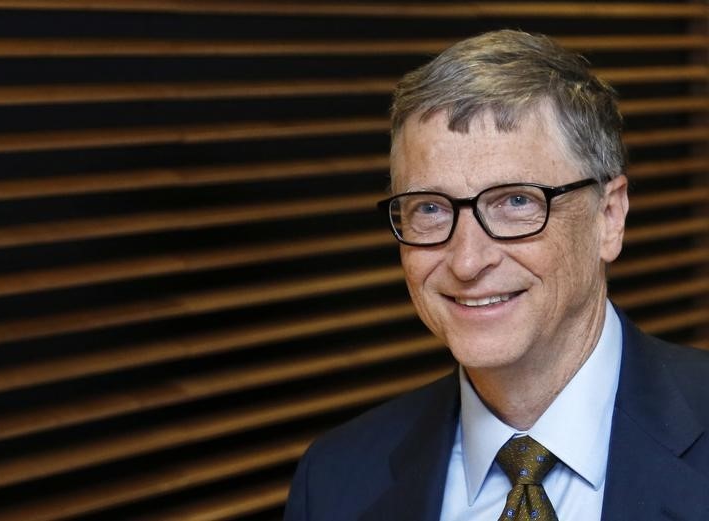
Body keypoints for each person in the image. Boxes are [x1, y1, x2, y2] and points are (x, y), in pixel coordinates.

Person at [283, 30, 709, 521]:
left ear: (608, 218)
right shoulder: (335, 482)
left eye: (516, 202)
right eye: (430, 208)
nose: (467, 261)